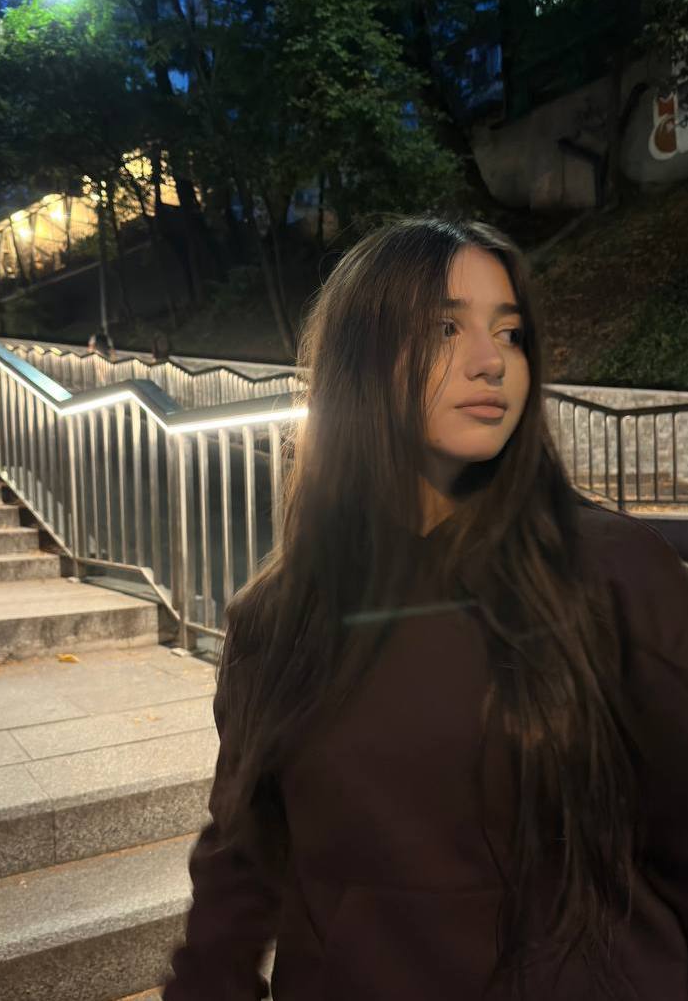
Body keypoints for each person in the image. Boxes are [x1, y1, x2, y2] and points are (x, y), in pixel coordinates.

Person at [161, 217, 688, 1001]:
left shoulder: (614, 572)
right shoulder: (277, 618)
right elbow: (241, 863)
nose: (490, 362)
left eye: (509, 334)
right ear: (361, 361)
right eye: (446, 328)